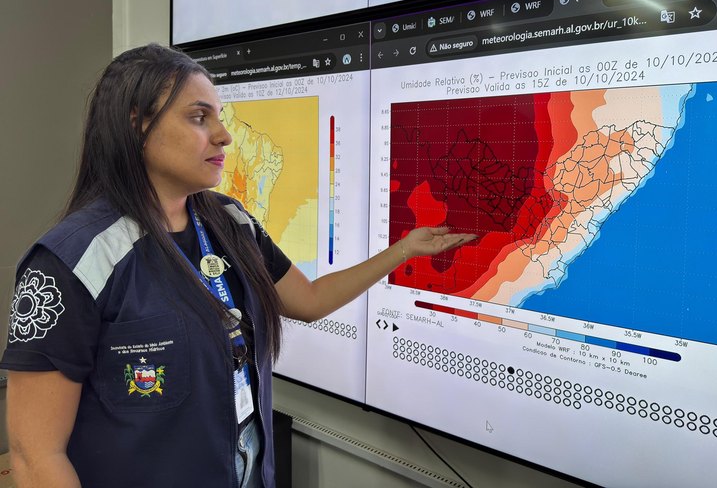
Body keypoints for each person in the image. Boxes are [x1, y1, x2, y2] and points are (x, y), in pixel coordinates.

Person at [1, 43, 476, 488]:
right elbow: (35, 455)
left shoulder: (231, 221)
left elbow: (309, 301)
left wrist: (403, 251)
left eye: (219, 117)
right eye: (199, 117)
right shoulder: (72, 262)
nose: (224, 135)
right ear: (137, 126)